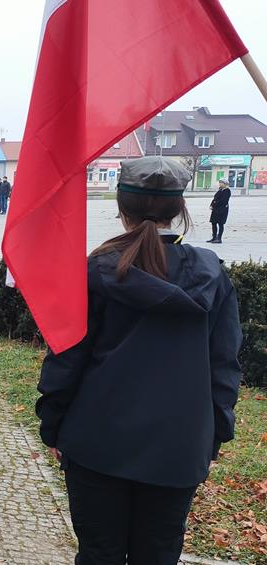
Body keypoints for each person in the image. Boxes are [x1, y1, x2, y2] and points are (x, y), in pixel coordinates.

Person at [36, 156, 242, 564]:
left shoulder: (96, 271)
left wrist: (53, 426)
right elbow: (225, 367)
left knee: (99, 555)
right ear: (180, 208)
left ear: (121, 207)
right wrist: (213, 436)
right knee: (158, 556)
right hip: (178, 450)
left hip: (96, 444)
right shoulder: (213, 276)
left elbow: (67, 358)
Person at [208, 178, 231, 243]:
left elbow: (223, 201)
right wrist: (211, 205)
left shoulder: (227, 191)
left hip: (222, 210)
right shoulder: (220, 190)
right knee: (213, 223)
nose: (220, 184)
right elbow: (215, 198)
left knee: (220, 224)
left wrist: (215, 204)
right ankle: (214, 237)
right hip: (215, 209)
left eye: (221, 182)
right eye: (220, 182)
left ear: (225, 184)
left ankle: (219, 238)